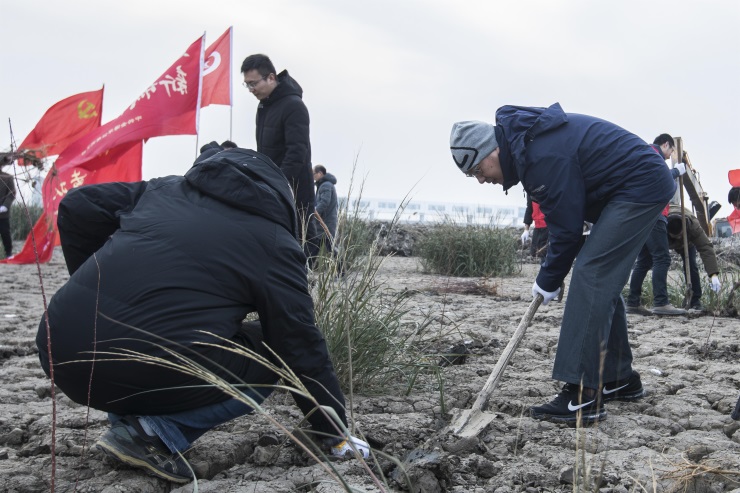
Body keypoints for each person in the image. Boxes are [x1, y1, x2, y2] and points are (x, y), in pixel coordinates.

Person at [35, 143, 369, 484]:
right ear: (281, 196)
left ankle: (127, 424)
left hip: (58, 350)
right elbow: (299, 344)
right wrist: (334, 432)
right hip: (136, 367)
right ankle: (153, 432)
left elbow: (77, 205)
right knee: (274, 350)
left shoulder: (163, 190)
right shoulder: (275, 242)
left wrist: (94, 287)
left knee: (163, 333)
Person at [450, 103, 676, 425]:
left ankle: (583, 395)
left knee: (591, 273)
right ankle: (618, 377)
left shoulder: (540, 155)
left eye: (477, 170)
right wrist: (550, 277)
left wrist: (548, 278)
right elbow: (564, 217)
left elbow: (567, 230)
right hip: (626, 187)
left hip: (640, 185)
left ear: (491, 150)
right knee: (600, 277)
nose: (480, 179)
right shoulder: (528, 150)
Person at [240, 54, 320, 260]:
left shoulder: (294, 105)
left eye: (254, 83)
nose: (251, 89)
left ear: (271, 77)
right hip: (270, 184)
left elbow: (297, 152)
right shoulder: (263, 106)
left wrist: (280, 183)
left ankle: (323, 270)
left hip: (294, 186)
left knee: (303, 238)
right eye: (247, 85)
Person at [626, 134, 687, 316]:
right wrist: (676, 171)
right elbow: (662, 176)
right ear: (666, 144)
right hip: (655, 213)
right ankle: (661, 302)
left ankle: (633, 302)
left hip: (643, 215)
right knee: (662, 258)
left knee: (645, 260)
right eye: (671, 151)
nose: (669, 156)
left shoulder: (645, 154)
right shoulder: (654, 154)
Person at [665, 205, 721, 313]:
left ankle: (695, 301)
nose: (679, 238)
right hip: (665, 239)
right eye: (676, 237)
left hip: (688, 241)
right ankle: (662, 301)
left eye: (680, 235)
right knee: (661, 263)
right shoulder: (660, 226)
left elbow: (706, 248)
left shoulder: (693, 227)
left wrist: (713, 275)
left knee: (691, 265)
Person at [312, 165, 338, 253]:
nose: (313, 176)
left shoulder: (325, 185)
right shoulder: (325, 185)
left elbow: (324, 202)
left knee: (329, 248)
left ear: (320, 173)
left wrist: (314, 214)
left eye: (313, 174)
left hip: (325, 223)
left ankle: (340, 262)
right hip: (325, 223)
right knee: (328, 248)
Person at [521, 193, 548, 262]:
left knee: (548, 255)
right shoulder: (529, 189)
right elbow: (529, 208)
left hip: (549, 227)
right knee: (539, 254)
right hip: (538, 227)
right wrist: (526, 230)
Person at [0, 160, 16, 258]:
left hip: (2, 213)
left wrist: (5, 206)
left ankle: (8, 253)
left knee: (5, 233)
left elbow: (11, 193)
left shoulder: (8, 177)